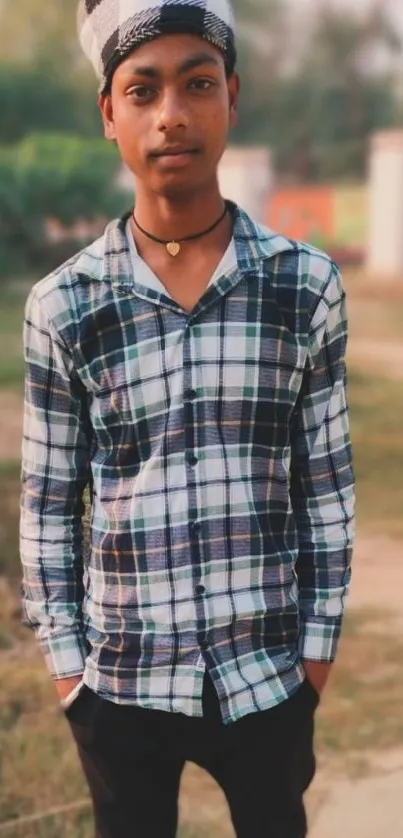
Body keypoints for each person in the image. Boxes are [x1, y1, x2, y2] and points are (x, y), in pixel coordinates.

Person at [20, 1, 355, 836]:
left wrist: (311, 661)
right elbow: (49, 503)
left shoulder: (301, 286)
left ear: (231, 97)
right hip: (122, 686)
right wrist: (71, 674)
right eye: (143, 89)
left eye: (197, 83)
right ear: (109, 113)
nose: (172, 113)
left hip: (266, 675)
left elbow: (324, 491)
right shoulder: (65, 305)